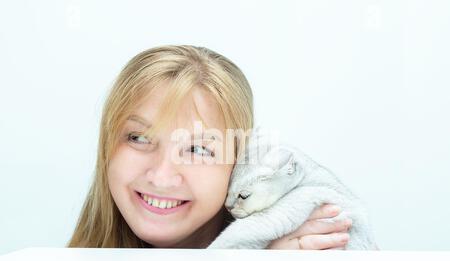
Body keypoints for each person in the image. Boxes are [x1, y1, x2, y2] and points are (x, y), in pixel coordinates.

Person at [67, 45, 352, 249]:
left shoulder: (307, 245)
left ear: (239, 162)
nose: (162, 177)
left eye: (199, 150)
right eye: (139, 138)